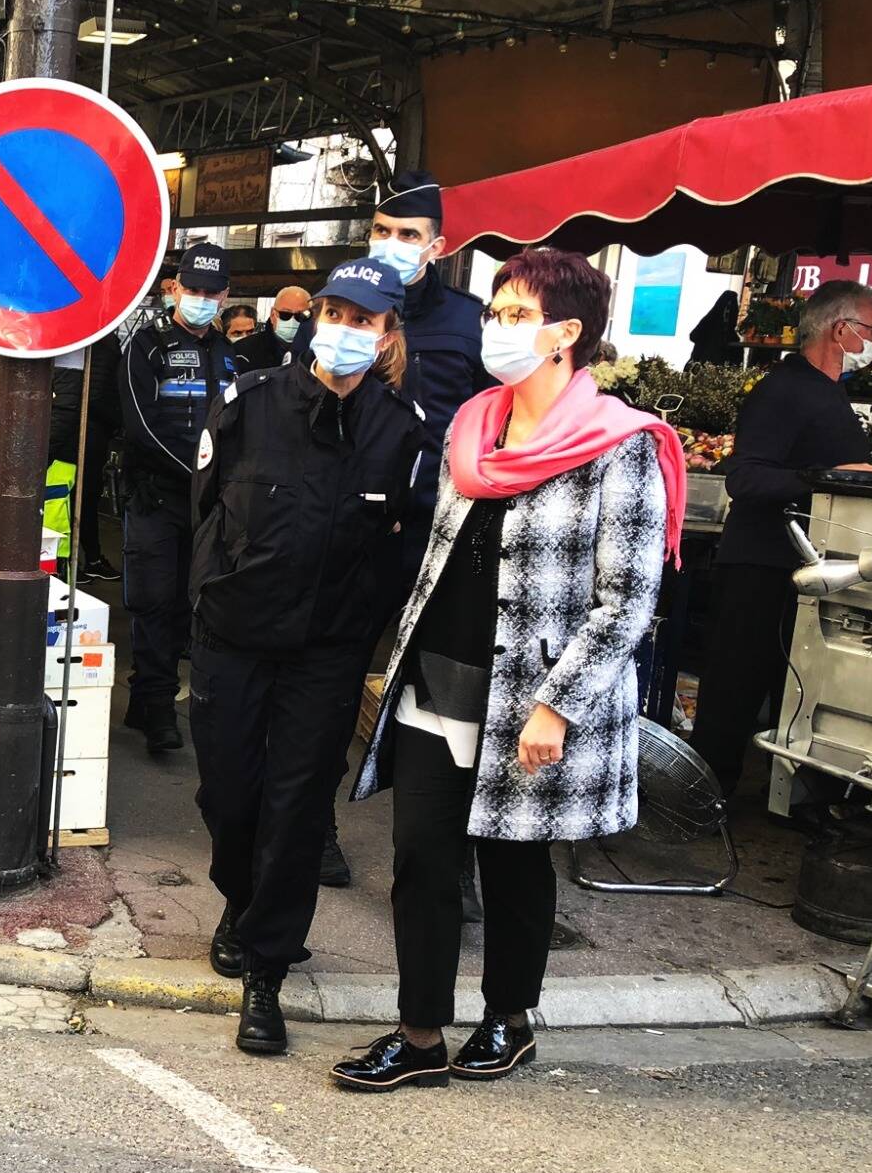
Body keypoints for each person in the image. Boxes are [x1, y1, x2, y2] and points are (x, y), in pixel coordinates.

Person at [338, 248, 684, 1092]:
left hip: (531, 694)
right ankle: (419, 1033)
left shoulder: (620, 445)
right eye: (495, 311)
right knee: (421, 856)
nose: (496, 326)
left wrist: (557, 706)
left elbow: (627, 599)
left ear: (567, 333)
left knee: (513, 861)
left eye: (516, 314)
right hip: (439, 676)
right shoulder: (472, 426)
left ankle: (509, 1018)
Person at [191, 258, 431, 1057]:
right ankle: (239, 897)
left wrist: (364, 624)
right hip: (233, 635)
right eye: (335, 313)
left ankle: (267, 968)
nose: (344, 330)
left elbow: (405, 544)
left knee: (296, 811)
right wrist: (208, 595)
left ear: (387, 335)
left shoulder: (401, 430)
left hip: (325, 653)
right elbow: (205, 510)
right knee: (229, 795)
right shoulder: (248, 402)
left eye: (364, 321)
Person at [321, 171, 492, 891]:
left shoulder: (469, 322)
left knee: (448, 694)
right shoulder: (346, 307)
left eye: (408, 235)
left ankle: (450, 862)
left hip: (441, 530)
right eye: (382, 232)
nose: (392, 244)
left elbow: (495, 422)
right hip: (360, 527)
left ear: (436, 246)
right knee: (333, 675)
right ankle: (317, 828)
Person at [690, 281, 872, 797]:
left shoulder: (828, 390)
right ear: (841, 330)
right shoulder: (782, 390)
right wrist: (832, 477)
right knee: (734, 687)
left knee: (789, 686)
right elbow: (745, 478)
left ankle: (783, 795)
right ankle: (705, 798)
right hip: (759, 563)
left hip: (803, 566)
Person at [117, 241, 239, 753]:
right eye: (193, 289)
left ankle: (150, 701)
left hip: (211, 506)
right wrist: (197, 476)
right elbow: (140, 427)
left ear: (224, 295)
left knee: (196, 606)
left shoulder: (231, 355)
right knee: (154, 602)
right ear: (175, 288)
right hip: (157, 498)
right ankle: (157, 705)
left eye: (212, 293)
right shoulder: (146, 346)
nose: (201, 299)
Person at [47, 329, 124, 582]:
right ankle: (82, 561)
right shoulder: (102, 341)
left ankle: (74, 563)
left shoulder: (88, 341)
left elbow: (88, 394)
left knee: (71, 501)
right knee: (79, 500)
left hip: (79, 434)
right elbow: (96, 393)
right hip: (86, 432)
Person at [237, 284, 313, 373]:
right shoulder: (243, 351)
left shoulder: (319, 353)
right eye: (285, 315)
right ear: (273, 315)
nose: (293, 321)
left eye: (300, 316)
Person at [687, 291, 742, 367]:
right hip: (711, 365)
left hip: (702, 364)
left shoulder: (709, 321)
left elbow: (694, 336)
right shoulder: (729, 334)